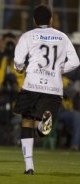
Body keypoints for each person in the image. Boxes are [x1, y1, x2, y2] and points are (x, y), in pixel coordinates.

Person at [13, 4, 80, 174]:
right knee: (39, 126)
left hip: (32, 84)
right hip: (54, 87)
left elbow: (19, 60)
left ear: (34, 20)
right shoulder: (63, 37)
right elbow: (75, 62)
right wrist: (57, 69)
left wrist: (19, 67)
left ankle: (29, 166)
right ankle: (43, 126)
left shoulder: (28, 36)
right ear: (51, 19)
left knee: (27, 122)